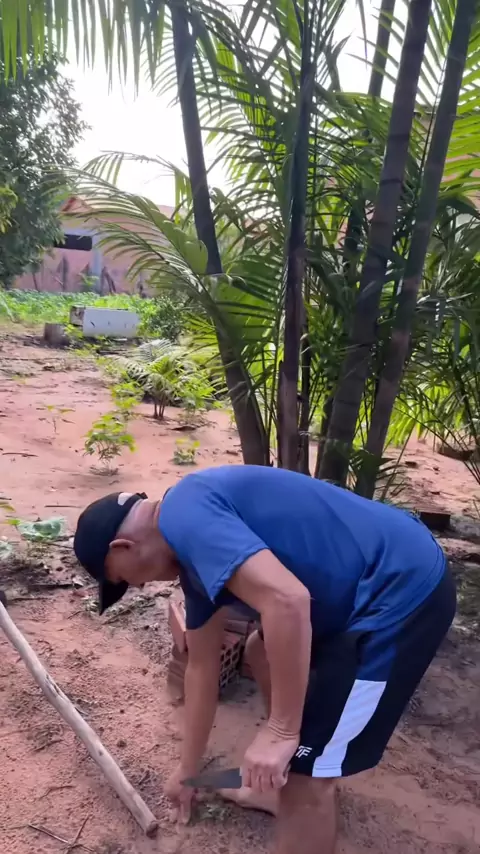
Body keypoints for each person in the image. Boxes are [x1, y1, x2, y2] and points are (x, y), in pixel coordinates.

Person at [73, 465, 456, 854]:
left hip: (399, 590)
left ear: (122, 547)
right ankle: (279, 782)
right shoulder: (191, 548)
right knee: (261, 651)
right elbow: (201, 667)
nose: (138, 585)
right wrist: (187, 770)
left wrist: (282, 731)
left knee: (307, 782)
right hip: (367, 582)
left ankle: (299, 775)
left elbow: (287, 601)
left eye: (122, 580)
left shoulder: (185, 516)